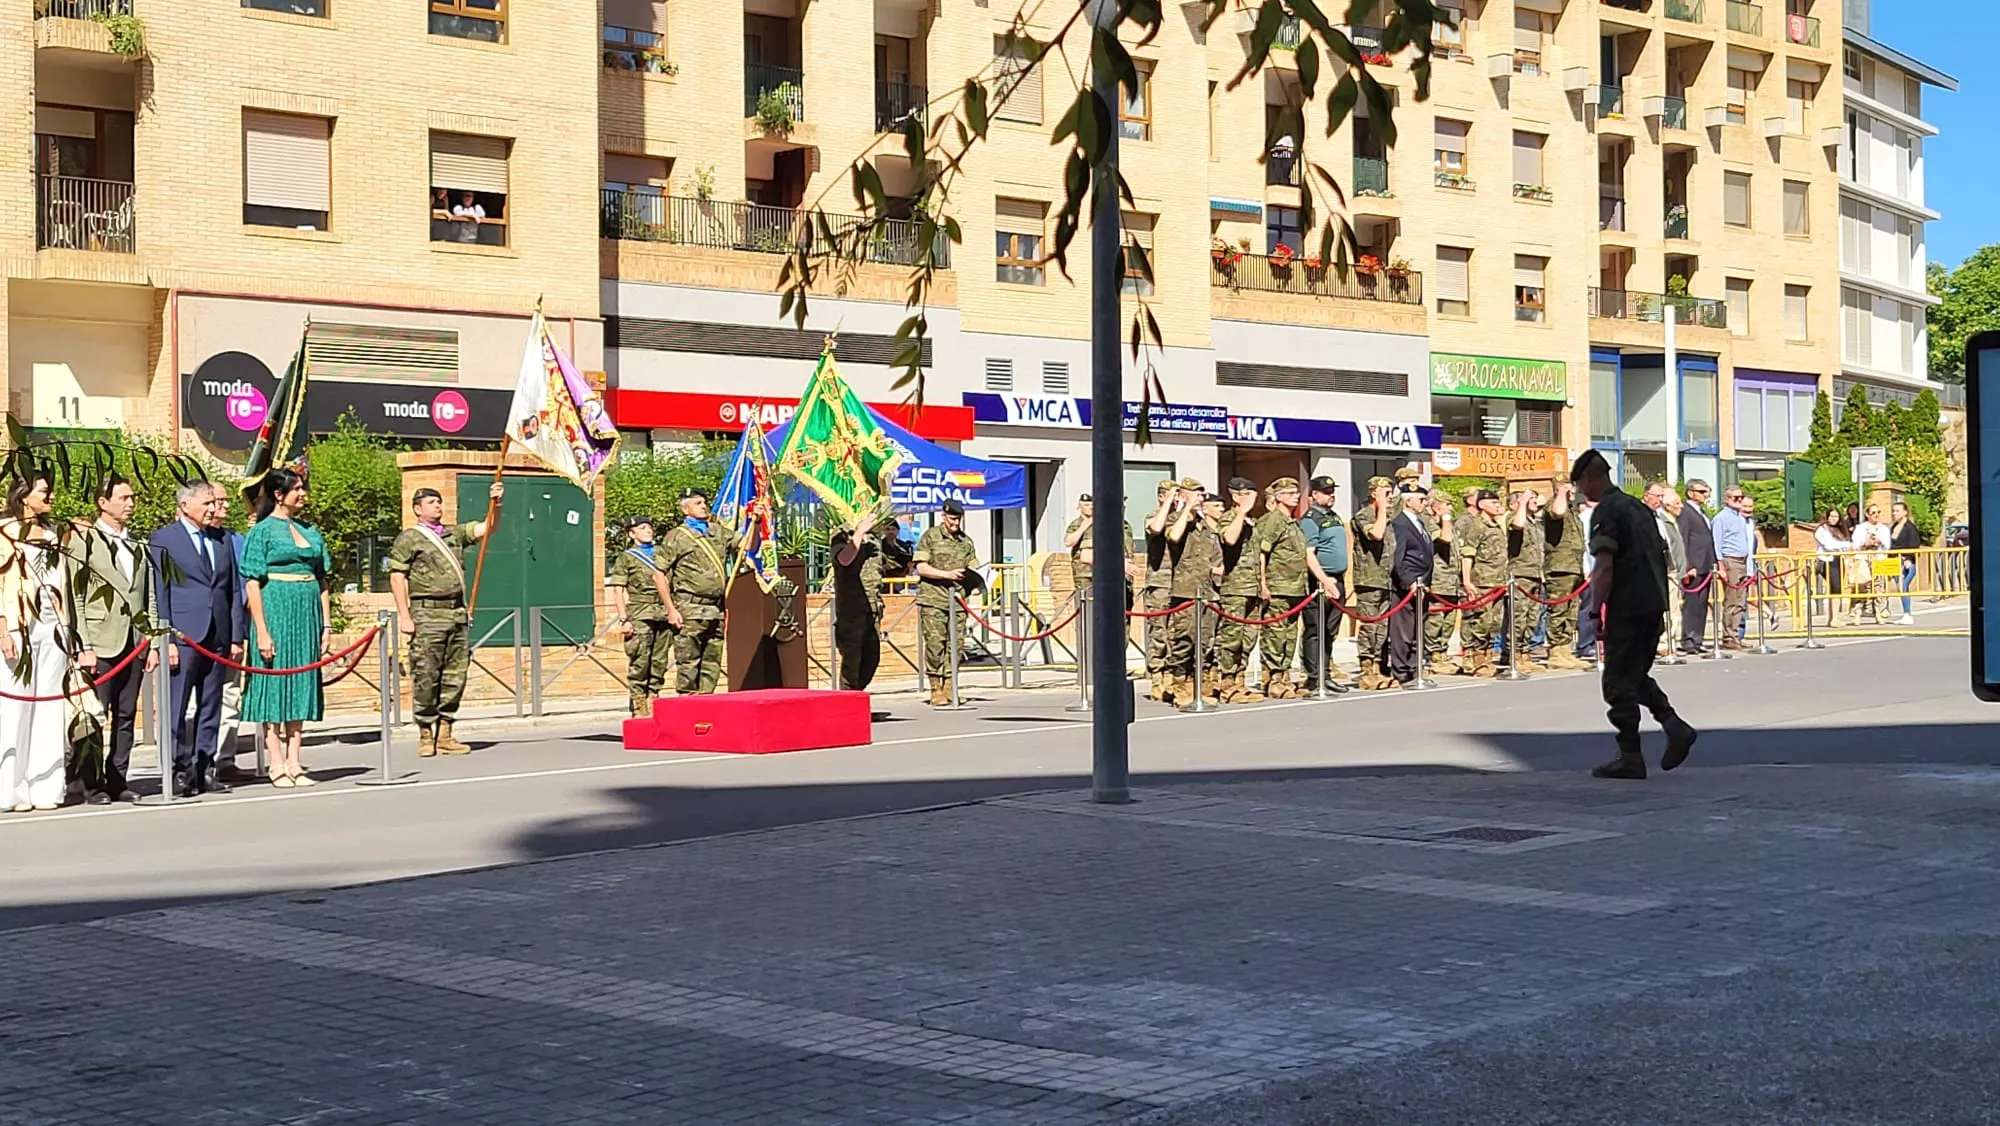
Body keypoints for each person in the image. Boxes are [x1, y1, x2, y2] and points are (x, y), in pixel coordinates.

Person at [1571, 450, 1698, 780]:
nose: (1582, 492)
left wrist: (1596, 611)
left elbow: (1604, 564)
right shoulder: (1639, 508)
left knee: (1616, 682)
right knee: (1634, 674)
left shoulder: (1609, 511)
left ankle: (1630, 754)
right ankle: (1673, 724)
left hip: (1627, 606)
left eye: (1582, 485)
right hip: (1653, 602)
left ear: (1590, 479)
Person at [387, 481, 504, 757]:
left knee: (455, 675)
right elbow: (397, 576)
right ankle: (425, 733)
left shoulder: (454, 533)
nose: (437, 505)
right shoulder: (410, 538)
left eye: (439, 501)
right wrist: (404, 615)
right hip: (426, 613)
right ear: (417, 509)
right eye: (430, 502)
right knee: (426, 673)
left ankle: (446, 733)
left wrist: (497, 504)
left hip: (455, 612)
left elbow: (488, 527)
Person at [68, 474, 160, 805]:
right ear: (103, 503)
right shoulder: (84, 541)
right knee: (94, 716)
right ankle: (90, 782)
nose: (130, 503)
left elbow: (147, 593)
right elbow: (76, 595)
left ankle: (118, 778)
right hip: (100, 642)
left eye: (132, 497)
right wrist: (84, 645)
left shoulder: (138, 543)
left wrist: (150, 639)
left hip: (133, 643)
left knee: (125, 716)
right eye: (123, 498)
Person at [150, 481, 246, 797]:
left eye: (213, 503)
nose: (212, 508)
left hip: (217, 635)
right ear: (185, 505)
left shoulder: (221, 540)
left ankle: (204, 768)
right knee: (177, 707)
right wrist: (168, 638)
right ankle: (177, 771)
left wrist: (235, 636)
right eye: (206, 503)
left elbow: (232, 590)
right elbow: (160, 593)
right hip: (184, 635)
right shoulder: (164, 539)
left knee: (211, 705)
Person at [240, 468, 333, 789]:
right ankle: (275, 761)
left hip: (305, 616)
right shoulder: (262, 532)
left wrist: (326, 624)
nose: (303, 493)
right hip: (275, 610)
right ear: (279, 494)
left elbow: (323, 581)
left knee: (301, 682)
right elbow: (252, 582)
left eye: (304, 487)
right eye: (297, 489)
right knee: (274, 685)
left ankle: (295, 759)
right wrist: (262, 631)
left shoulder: (311, 531)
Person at [0, 474, 75, 813]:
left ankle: (45, 786)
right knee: (15, 707)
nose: (51, 496)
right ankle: (9, 789)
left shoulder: (52, 534)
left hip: (52, 627)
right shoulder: (5, 533)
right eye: (44, 491)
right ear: (24, 495)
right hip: (18, 626)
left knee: (49, 704)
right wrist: (3, 631)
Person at [658, 487, 735, 697]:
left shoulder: (717, 531)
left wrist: (756, 520)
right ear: (685, 509)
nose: (703, 506)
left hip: (715, 608)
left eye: (703, 502)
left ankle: (706, 705)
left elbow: (745, 546)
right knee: (688, 663)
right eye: (697, 503)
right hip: (689, 607)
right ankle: (688, 707)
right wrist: (671, 610)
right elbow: (659, 574)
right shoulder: (676, 537)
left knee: (712, 662)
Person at [210, 489, 257, 783]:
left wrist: (238, 635)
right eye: (219, 500)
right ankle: (193, 761)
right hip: (196, 637)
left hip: (231, 633)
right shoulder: (179, 540)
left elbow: (243, 587)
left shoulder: (236, 540)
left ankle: (224, 759)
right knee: (195, 703)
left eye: (227, 500)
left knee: (229, 697)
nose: (226, 505)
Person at [607, 514, 674, 715]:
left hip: (662, 613)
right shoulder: (627, 557)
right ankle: (638, 703)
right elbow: (618, 590)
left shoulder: (662, 554)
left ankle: (653, 697)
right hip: (640, 613)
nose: (648, 531)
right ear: (632, 533)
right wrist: (623, 619)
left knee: (659, 660)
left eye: (649, 527)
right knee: (640, 660)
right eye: (642, 528)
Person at [914, 498, 979, 706]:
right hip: (933, 598)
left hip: (958, 600)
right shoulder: (930, 537)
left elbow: (975, 568)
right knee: (935, 644)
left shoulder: (966, 541)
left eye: (958, 519)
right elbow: (921, 568)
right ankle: (935, 687)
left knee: (956, 644)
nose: (956, 523)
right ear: (943, 517)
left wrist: (978, 584)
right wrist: (946, 574)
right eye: (952, 519)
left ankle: (951, 686)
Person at [1163, 478, 1218, 710]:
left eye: (1202, 495)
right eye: (1196, 494)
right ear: (1184, 495)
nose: (1201, 499)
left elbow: (1215, 556)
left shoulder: (1205, 526)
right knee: (1184, 641)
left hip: (1207, 591)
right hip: (1185, 592)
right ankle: (1179, 684)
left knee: (1205, 641)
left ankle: (1198, 685)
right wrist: (1186, 507)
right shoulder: (1177, 520)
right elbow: (1174, 537)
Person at [1255, 477, 1312, 699]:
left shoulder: (1292, 522)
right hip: (1278, 586)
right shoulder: (1273, 521)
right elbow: (1261, 553)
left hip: (1296, 587)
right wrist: (1263, 584)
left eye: (1296, 493)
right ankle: (1273, 678)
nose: (1295, 497)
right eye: (1289, 493)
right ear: (1278, 497)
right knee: (1275, 634)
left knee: (1289, 634)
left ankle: (1285, 674)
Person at [1211, 478, 1264, 702]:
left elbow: (1259, 554)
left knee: (1248, 637)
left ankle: (1239, 680)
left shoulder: (1252, 521)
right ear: (1236, 496)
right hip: (1234, 588)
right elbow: (1230, 539)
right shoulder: (1230, 518)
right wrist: (1241, 511)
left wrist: (1263, 585)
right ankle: (1227, 684)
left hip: (1253, 588)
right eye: (1247, 495)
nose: (1252, 500)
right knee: (1231, 638)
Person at [1297, 476, 1350, 693]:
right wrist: (1324, 580)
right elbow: (1309, 554)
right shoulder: (1311, 519)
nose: (1331, 495)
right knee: (1315, 631)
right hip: (1321, 582)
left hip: (1337, 580)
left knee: (1330, 631)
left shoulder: (1334, 516)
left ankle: (1325, 673)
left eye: (1332, 491)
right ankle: (1314, 677)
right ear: (1313, 496)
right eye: (1326, 492)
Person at [831, 515, 893, 692]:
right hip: (851, 609)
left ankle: (856, 699)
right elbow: (844, 560)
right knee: (852, 660)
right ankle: (847, 704)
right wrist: (859, 533)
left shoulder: (874, 537)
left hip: (872, 608)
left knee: (871, 658)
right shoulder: (842, 534)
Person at [1385, 479, 1436, 688]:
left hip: (1422, 583)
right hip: (1408, 585)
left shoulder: (1419, 522)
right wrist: (1409, 581)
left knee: (1417, 630)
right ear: (1408, 501)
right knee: (1404, 631)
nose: (1425, 503)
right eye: (1421, 499)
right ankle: (1402, 671)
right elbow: (1399, 558)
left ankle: (1416, 669)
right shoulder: (1400, 524)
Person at [1350, 476, 1395, 690]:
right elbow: (1376, 534)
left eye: (1390, 492)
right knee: (1369, 626)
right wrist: (1382, 508)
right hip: (1369, 579)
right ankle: (1367, 670)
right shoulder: (1364, 515)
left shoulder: (1389, 515)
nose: (1390, 497)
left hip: (1387, 579)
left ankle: (1378, 667)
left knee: (1382, 627)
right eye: (1385, 493)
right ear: (1373, 494)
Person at [1458, 490, 1508, 678]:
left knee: (1493, 623)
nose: (1497, 505)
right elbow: (1468, 554)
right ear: (1481, 505)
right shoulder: (1477, 526)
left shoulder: (1496, 525)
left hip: (1497, 581)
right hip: (1482, 581)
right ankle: (1478, 660)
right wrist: (1467, 581)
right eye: (1492, 502)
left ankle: (1486, 657)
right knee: (1481, 622)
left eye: (1497, 501)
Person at [1540, 481, 1589, 669]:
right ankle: (1555, 652)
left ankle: (1564, 649)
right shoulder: (1554, 505)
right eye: (1568, 487)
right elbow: (1557, 513)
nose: (1572, 491)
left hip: (1573, 567)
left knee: (1571, 611)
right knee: (1559, 610)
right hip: (1559, 568)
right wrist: (1560, 492)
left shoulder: (1572, 511)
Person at [1141, 479, 1180, 702]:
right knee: (1160, 634)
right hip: (1160, 582)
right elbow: (1156, 528)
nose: (1176, 500)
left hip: (1181, 584)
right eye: (1173, 495)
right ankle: (1157, 678)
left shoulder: (1182, 518)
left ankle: (1173, 677)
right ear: (1161, 496)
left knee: (1177, 634)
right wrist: (1167, 504)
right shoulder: (1154, 515)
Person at [1505, 489, 1545, 670]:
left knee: (1532, 617)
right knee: (1518, 617)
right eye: (1531, 499)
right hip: (1519, 573)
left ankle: (1525, 653)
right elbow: (1518, 526)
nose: (1535, 501)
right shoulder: (1513, 517)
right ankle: (1514, 654)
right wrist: (1522, 502)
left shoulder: (1536, 523)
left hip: (1536, 574)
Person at [1712, 485, 1756, 651]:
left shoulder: (1740, 517)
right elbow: (1717, 543)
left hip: (1743, 561)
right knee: (1731, 601)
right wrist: (1721, 566)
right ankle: (1728, 636)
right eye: (1735, 498)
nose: (1738, 500)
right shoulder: (1721, 518)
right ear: (1727, 499)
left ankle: (1736, 634)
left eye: (1740, 497)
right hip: (1730, 561)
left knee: (1740, 602)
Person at [1677, 479, 1717, 654]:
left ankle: (1698, 638)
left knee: (1702, 604)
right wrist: (1687, 565)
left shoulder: (1701, 513)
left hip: (1706, 565)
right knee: (1692, 604)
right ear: (1690, 493)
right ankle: (1688, 639)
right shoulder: (1685, 512)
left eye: (1707, 491)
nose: (1706, 495)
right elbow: (1683, 539)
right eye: (1701, 491)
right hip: (1695, 565)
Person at [1814, 508, 1851, 627]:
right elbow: (1829, 545)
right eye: (1831, 516)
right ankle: (1834, 619)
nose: (1833, 519)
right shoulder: (1822, 529)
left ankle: (1833, 617)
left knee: (1837, 588)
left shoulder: (1840, 530)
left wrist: (1845, 546)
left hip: (1838, 559)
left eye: (1836, 516)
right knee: (1835, 588)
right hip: (1826, 560)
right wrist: (1846, 546)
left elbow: (1845, 543)